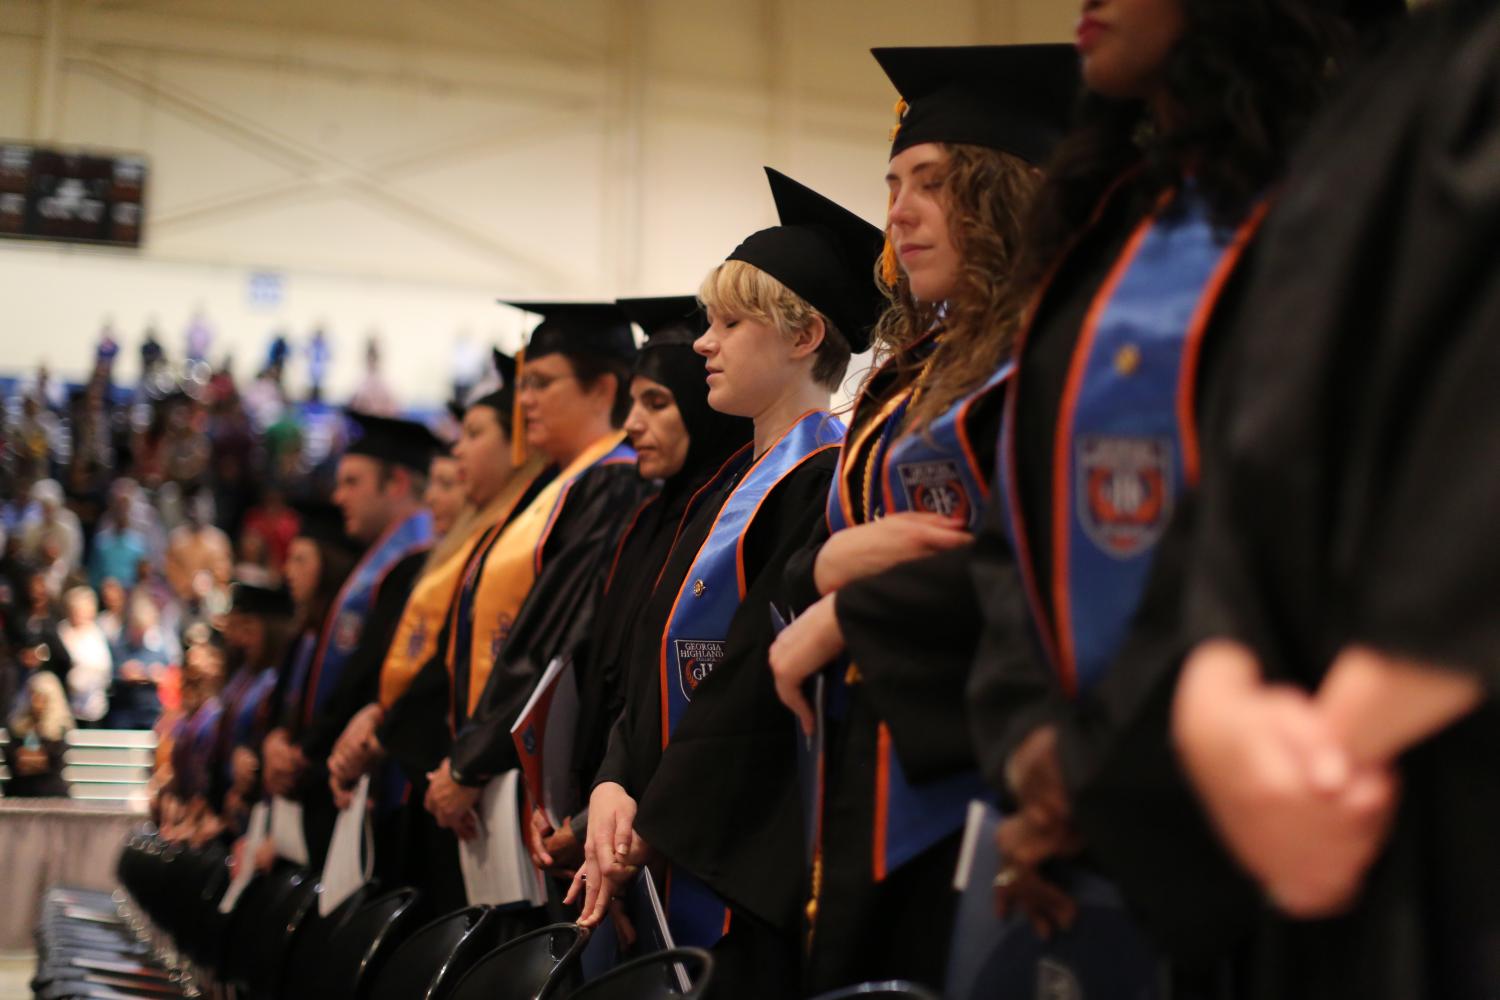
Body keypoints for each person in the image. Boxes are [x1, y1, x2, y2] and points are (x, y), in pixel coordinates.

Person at [957, 0, 1369, 985]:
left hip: (1275, 822)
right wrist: (1032, 745)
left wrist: (1092, 779)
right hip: (1091, 809)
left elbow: (1284, 536)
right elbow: (1020, 514)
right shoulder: (1110, 227)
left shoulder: (1333, 212)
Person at [1156, 3, 1500, 997]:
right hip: (1327, 807)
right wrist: (1215, 687)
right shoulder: (1393, 86)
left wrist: (1324, 752)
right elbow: (1264, 429)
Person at [758, 45, 1078, 992]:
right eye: (894, 184)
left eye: (932, 184)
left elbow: (1045, 564)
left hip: (981, 774)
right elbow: (820, 550)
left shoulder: (1055, 359)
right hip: (865, 763)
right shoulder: (908, 377)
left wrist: (852, 608)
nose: (898, 214)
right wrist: (827, 572)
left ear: (1004, 192)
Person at [573, 169, 881, 999]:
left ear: (804, 335)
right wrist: (613, 779)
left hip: (740, 865)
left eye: (729, 323)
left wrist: (654, 814)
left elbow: (751, 688)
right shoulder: (723, 488)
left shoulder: (828, 485)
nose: (703, 344)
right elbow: (649, 657)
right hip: (662, 823)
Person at [524, 296, 754, 878]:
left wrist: (598, 825)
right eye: (632, 403)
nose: (630, 425)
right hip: (596, 809)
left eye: (656, 403)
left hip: (656, 831)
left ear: (701, 409)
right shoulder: (649, 517)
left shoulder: (728, 526)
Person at [330, 351, 548, 914]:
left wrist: (397, 738)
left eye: (473, 436)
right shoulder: (466, 550)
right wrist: (379, 720)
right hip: (435, 771)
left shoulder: (523, 537)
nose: (437, 492)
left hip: (478, 777)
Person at [424, 302, 648, 849]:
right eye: (524, 384)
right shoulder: (555, 485)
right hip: (494, 761)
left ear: (602, 390)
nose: (523, 400)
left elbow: (557, 635)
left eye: (542, 383)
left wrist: (472, 760)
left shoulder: (613, 482)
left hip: (538, 773)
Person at [262, 414, 438, 869]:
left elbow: (366, 680)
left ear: (397, 483)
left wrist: (304, 754)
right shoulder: (378, 565)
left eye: (352, 482)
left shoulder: (418, 563)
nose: (339, 496)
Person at [105, 593, 174, 730]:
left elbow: (171, 675)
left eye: (143, 630)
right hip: (125, 710)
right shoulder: (118, 646)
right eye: (136, 629)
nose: (140, 634)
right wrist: (123, 674)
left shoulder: (159, 648)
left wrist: (160, 675)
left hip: (151, 710)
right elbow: (108, 677)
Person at [5, 670, 74, 797]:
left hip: (50, 792)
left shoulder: (60, 729)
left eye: (42, 697)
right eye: (32, 696)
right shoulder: (17, 727)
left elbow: (53, 763)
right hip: (19, 789)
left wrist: (30, 759)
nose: (36, 702)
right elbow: (13, 760)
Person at [58, 585, 114, 726]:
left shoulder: (96, 633)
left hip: (94, 704)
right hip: (67, 704)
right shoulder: (62, 632)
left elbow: (104, 667)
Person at [87, 481, 149, 590]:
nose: (121, 511)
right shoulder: (101, 542)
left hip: (131, 594)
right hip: (106, 593)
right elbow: (94, 576)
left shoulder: (139, 544)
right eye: (118, 506)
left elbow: (143, 576)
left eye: (125, 506)